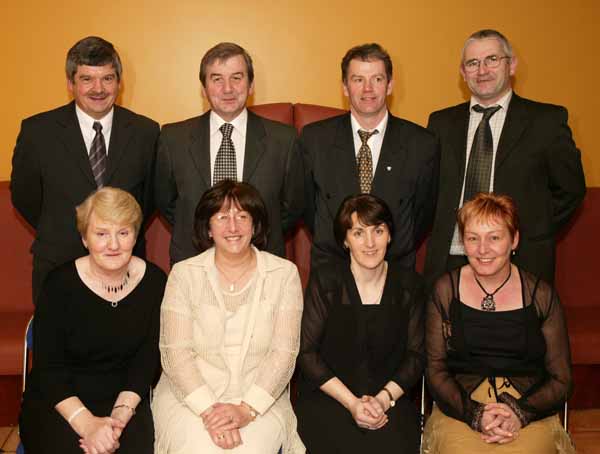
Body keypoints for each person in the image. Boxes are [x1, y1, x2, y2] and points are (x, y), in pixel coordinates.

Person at [152, 180, 305, 453]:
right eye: (222, 217)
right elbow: (176, 354)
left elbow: (283, 353)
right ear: (208, 228)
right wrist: (211, 412)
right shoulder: (184, 274)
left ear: (255, 225)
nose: (232, 227)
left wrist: (247, 410)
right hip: (190, 398)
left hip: (259, 398)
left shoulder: (284, 274)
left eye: (242, 216)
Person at [425, 29, 586, 284]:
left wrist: (528, 231)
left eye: (492, 59)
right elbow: (428, 191)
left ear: (511, 65)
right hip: (451, 259)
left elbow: (571, 189)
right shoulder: (440, 123)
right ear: (463, 72)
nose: (482, 70)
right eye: (473, 63)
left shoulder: (546, 121)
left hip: (520, 260)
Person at [11, 36, 160, 304]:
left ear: (119, 81)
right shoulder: (37, 132)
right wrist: (68, 230)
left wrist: (115, 233)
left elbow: (148, 199)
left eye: (107, 78)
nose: (98, 88)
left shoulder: (146, 132)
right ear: (71, 83)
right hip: (58, 264)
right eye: (87, 79)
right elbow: (25, 197)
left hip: (125, 267)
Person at [19, 187, 167, 454]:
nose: (113, 245)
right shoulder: (58, 285)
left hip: (125, 401)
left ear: (136, 235)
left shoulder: (155, 282)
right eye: (101, 234)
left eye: (123, 233)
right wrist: (87, 425)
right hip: (61, 402)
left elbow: (147, 360)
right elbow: (50, 370)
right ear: (85, 238)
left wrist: (119, 419)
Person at [423, 193, 574, 454]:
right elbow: (435, 371)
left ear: (514, 240)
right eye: (473, 238)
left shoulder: (541, 295)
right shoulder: (445, 291)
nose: (483, 249)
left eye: (494, 237)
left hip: (529, 408)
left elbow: (561, 379)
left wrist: (519, 412)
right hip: (461, 407)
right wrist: (476, 415)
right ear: (463, 242)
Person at [295, 194, 425, 453]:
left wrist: (382, 399)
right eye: (358, 233)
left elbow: (416, 356)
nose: (369, 243)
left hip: (389, 402)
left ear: (389, 235)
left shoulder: (410, 284)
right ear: (345, 240)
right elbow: (308, 354)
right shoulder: (326, 282)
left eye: (378, 231)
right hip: (330, 399)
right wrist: (352, 403)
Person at [155, 42, 303, 265]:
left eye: (237, 78)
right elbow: (166, 201)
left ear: (251, 84)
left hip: (263, 262)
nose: (228, 89)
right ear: (203, 89)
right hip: (194, 261)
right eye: (217, 79)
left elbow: (292, 206)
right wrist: (204, 229)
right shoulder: (173, 138)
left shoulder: (283, 139)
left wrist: (252, 233)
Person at [301, 42, 439, 269]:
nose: (368, 89)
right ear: (345, 87)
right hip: (332, 268)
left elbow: (423, 213)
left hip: (395, 270)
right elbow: (307, 207)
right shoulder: (314, 139)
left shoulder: (422, 143)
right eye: (358, 80)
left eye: (377, 79)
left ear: (390, 85)